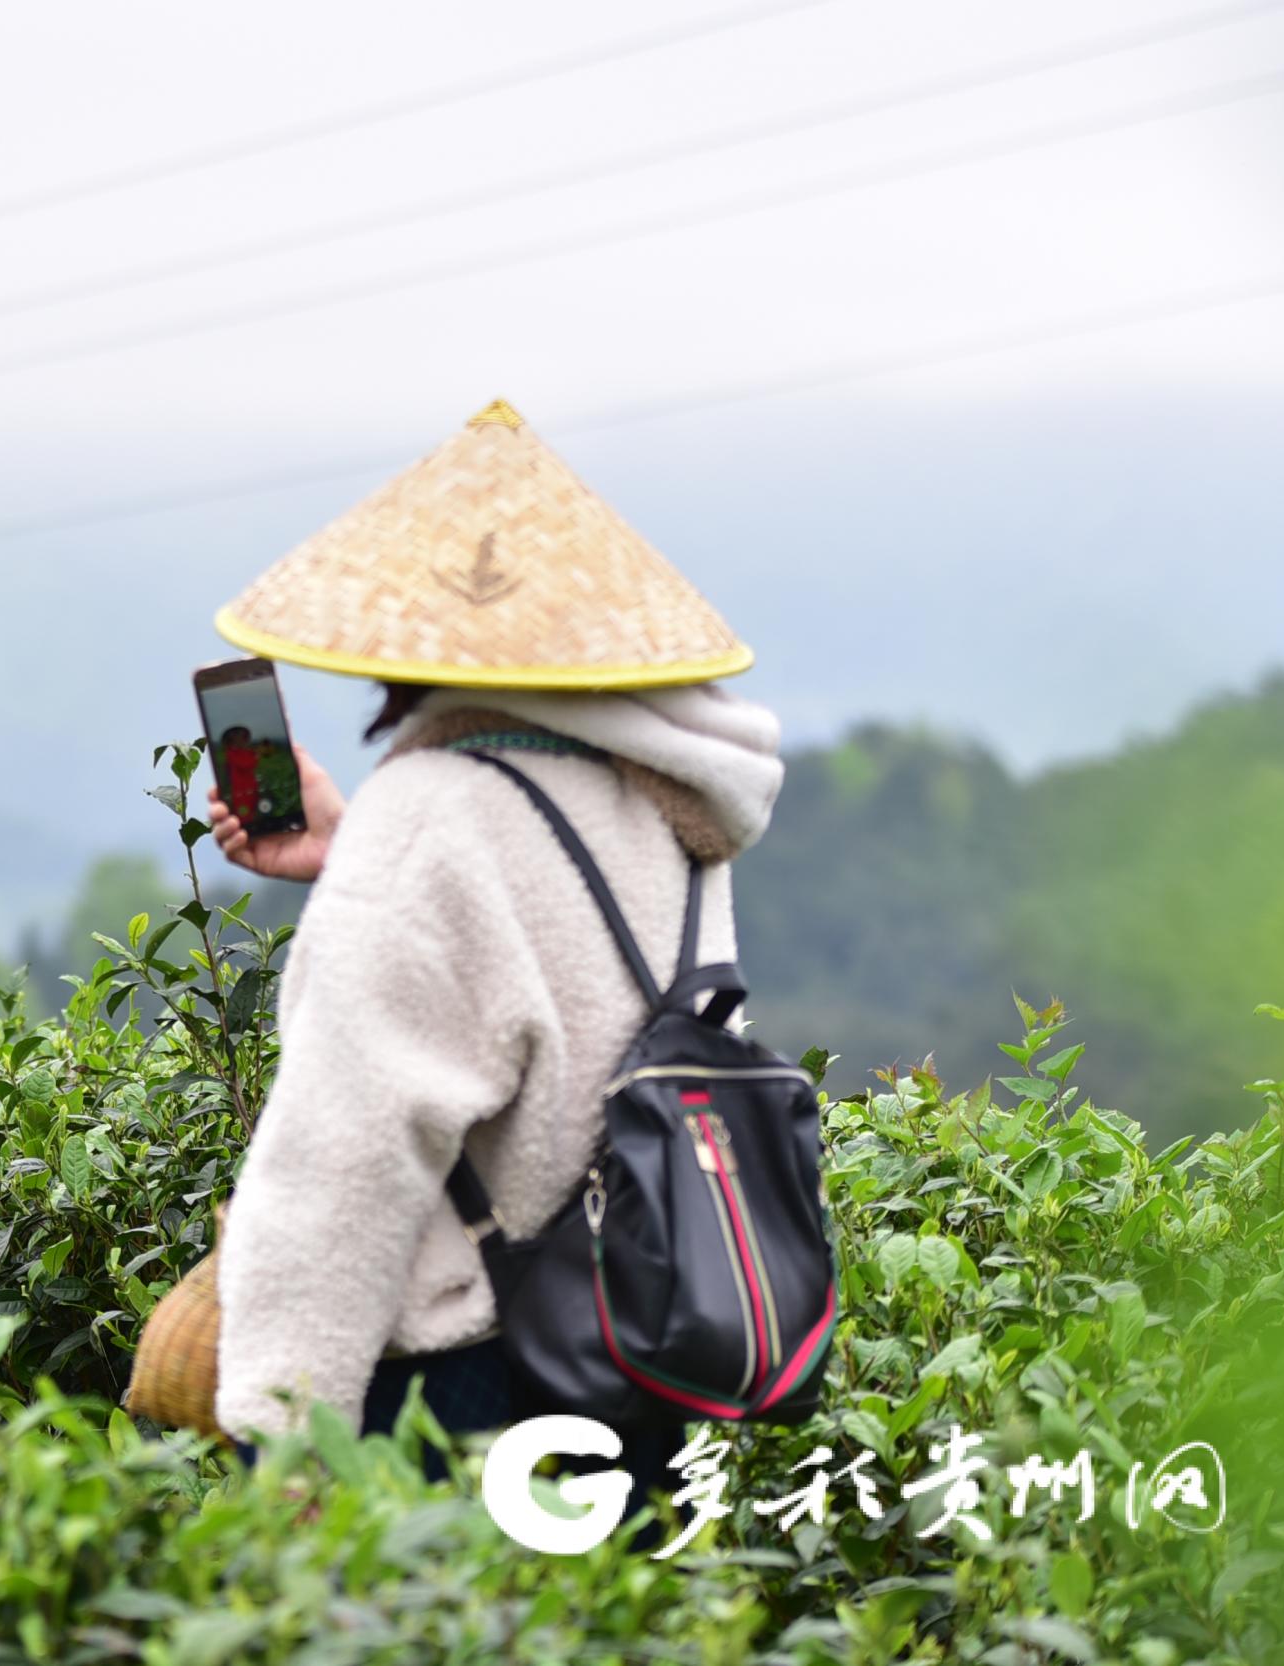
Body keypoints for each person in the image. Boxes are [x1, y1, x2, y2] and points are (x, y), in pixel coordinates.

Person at [199, 401, 785, 1534]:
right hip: (642, 1356)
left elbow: (344, 1158)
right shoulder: (665, 808)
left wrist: (281, 1432)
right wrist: (350, 853)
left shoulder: (427, 824)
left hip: (463, 1390)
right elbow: (557, 981)